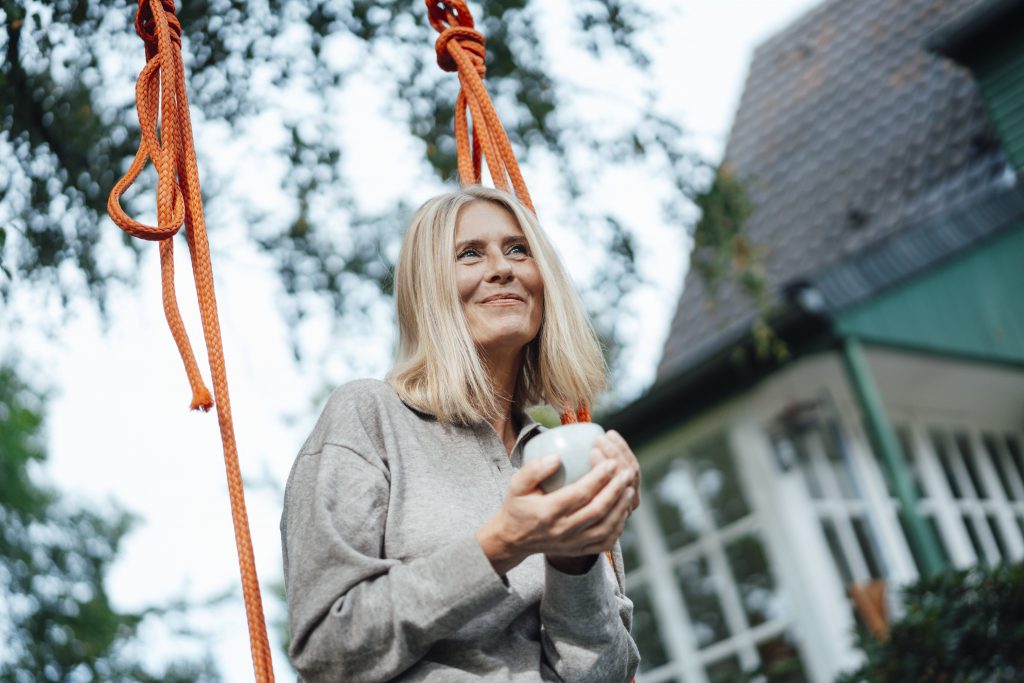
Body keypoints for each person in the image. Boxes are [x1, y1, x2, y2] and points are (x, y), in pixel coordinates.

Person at [281, 186, 642, 682]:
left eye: (518, 249)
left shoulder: (567, 455)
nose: (502, 268)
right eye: (470, 254)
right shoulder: (371, 417)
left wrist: (574, 564)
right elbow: (328, 650)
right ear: (429, 289)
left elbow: (605, 675)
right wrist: (501, 543)